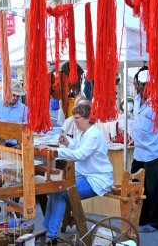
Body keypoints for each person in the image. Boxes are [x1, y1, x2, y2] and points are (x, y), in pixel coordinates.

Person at [38, 102, 113, 245]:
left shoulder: (94, 135)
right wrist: (66, 142)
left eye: (77, 118)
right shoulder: (87, 133)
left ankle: (50, 234)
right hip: (87, 176)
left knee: (60, 192)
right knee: (55, 190)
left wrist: (56, 151)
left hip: (97, 179)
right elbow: (78, 148)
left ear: (87, 118)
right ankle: (45, 230)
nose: (75, 121)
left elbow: (80, 154)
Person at [131, 79, 158, 233]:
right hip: (139, 151)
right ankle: (142, 217)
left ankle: (156, 221)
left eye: (147, 86)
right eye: (142, 85)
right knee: (138, 184)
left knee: (154, 188)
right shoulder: (136, 101)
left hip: (154, 152)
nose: (144, 88)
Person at [0, 79, 28, 221]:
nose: (15, 98)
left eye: (18, 95)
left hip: (15, 148)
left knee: (15, 178)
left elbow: (28, 130)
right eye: (13, 94)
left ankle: (13, 207)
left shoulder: (24, 109)